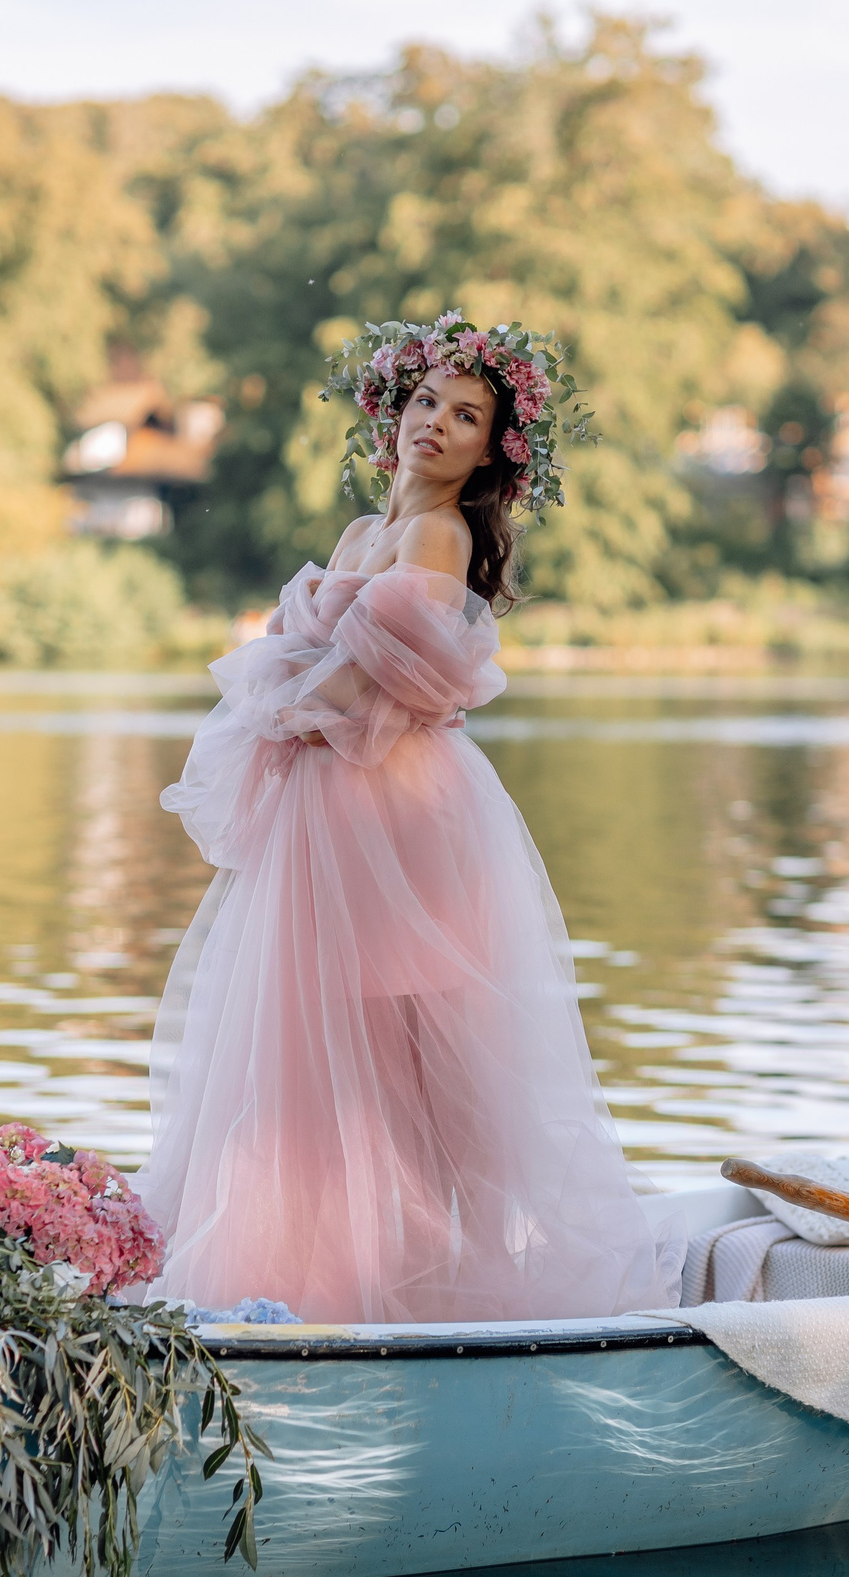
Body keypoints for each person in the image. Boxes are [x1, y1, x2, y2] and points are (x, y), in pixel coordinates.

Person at [136, 312, 677, 1324]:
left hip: (399, 818)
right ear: (394, 411)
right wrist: (287, 697)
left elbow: (382, 675)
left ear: (488, 454)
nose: (435, 422)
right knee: (322, 1047)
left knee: (409, 1042)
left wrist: (284, 700)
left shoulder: (438, 532)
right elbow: (328, 671)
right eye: (426, 400)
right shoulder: (361, 534)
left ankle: (438, 1269)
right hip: (330, 814)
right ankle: (328, 1267)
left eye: (466, 415)